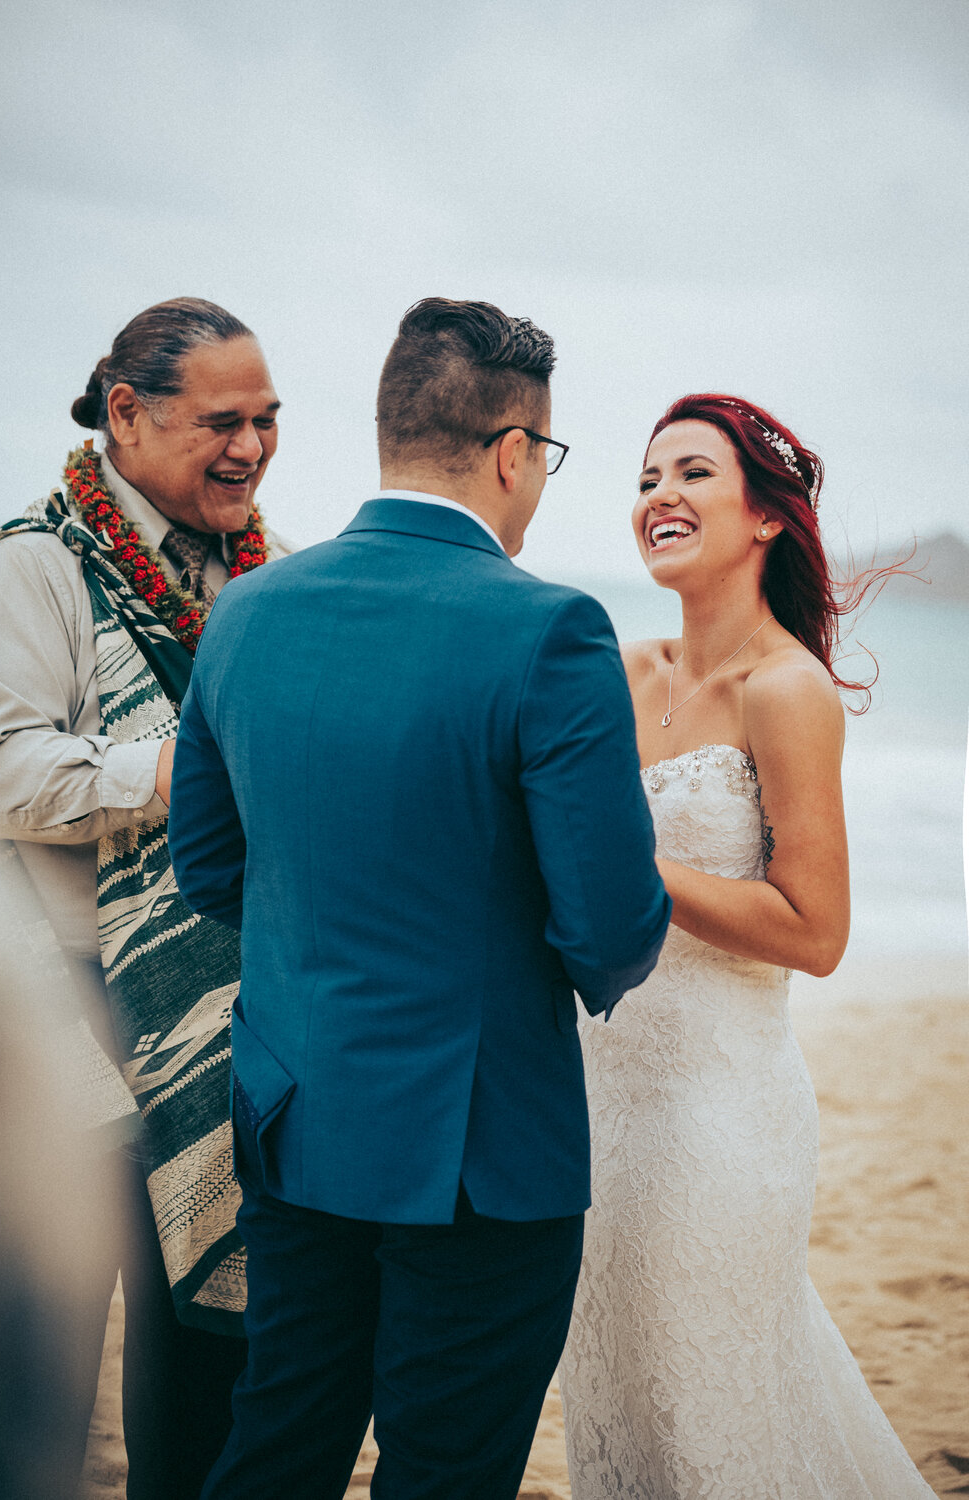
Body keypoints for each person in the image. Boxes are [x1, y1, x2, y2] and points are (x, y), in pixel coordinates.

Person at [167, 296, 672, 1500]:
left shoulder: (244, 611)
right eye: (543, 457)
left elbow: (209, 867)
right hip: (481, 1145)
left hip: (294, 1117)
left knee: (278, 1443)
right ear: (512, 452)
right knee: (446, 1471)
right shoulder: (550, 628)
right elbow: (608, 926)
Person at [558, 393, 935, 1497]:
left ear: (765, 517)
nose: (658, 497)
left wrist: (631, 864)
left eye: (690, 474)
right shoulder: (619, 673)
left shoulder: (788, 691)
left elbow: (815, 933)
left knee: (717, 1410)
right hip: (596, 1103)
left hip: (718, 1113)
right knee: (620, 1406)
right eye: (643, 480)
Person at [0, 297, 290, 1499]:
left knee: (204, 1365)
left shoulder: (265, 579)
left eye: (267, 421)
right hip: (73, 1023)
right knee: (39, 1385)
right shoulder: (30, 570)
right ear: (125, 415)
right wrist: (182, 767)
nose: (251, 449)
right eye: (222, 422)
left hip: (222, 1019)